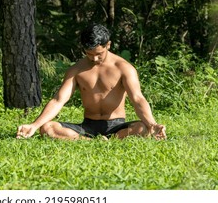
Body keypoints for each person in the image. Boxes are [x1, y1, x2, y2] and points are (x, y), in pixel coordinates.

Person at [16, 24, 166, 140]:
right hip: (88, 126)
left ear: (108, 45)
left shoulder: (124, 68)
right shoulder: (76, 70)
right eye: (89, 54)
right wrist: (34, 125)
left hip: (117, 126)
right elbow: (58, 100)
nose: (94, 58)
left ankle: (112, 139)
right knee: (47, 128)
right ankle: (89, 141)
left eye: (98, 54)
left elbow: (137, 98)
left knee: (143, 129)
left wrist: (153, 124)